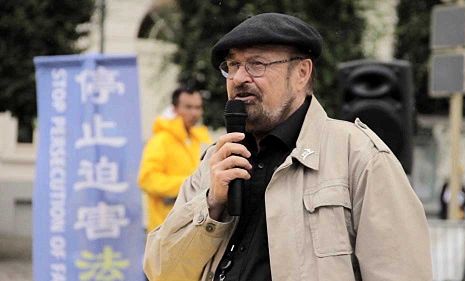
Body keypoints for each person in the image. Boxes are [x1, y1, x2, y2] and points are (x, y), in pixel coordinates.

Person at [143, 13, 432, 281]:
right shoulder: (216, 161)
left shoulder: (358, 155)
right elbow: (162, 271)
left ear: (302, 73)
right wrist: (211, 205)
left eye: (256, 64)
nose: (239, 78)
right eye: (232, 66)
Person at [137, 87, 211, 232]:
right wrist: (191, 185)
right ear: (175, 109)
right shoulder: (161, 140)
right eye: (188, 107)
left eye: (198, 107)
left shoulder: (199, 139)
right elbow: (146, 179)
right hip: (165, 227)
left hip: (193, 225)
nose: (194, 113)